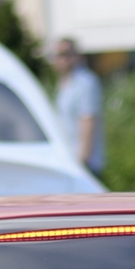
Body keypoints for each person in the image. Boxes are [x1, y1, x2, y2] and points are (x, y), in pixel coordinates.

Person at [50, 38, 103, 175]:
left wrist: (82, 162)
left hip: (83, 165)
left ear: (77, 56)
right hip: (68, 163)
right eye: (58, 55)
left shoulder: (85, 83)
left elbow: (88, 121)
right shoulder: (63, 84)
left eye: (66, 54)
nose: (62, 59)